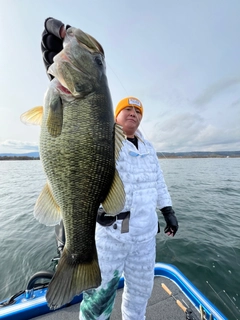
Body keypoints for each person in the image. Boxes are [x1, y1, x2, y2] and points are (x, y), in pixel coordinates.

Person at [41, 17, 179, 320]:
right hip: (111, 234)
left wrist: (167, 209)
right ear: (115, 116)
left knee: (141, 293)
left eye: (137, 111)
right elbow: (75, 132)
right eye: (127, 109)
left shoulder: (149, 148)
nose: (133, 114)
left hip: (144, 235)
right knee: (99, 298)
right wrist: (53, 65)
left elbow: (158, 181)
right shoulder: (104, 136)